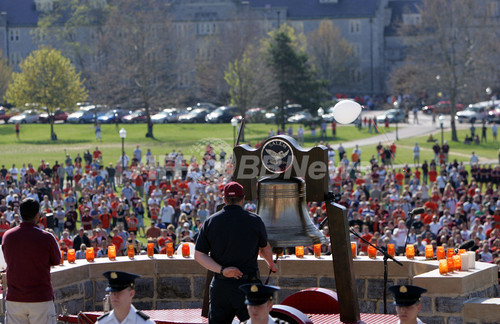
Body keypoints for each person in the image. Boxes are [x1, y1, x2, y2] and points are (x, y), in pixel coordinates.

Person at [195, 181, 277, 324]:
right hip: (248, 286)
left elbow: (199, 255)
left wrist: (222, 270)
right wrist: (271, 264)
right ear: (243, 198)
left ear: (225, 199)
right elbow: (265, 249)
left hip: (221, 286)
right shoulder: (255, 221)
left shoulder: (210, 221)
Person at [2, 198, 61, 324]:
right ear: (37, 215)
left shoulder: (7, 236)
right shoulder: (46, 237)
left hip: (14, 298)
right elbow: (56, 260)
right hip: (40, 298)